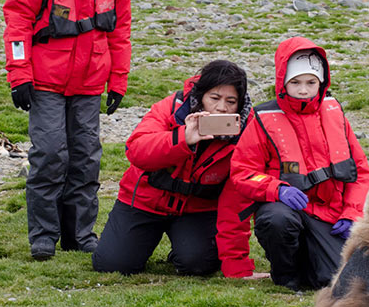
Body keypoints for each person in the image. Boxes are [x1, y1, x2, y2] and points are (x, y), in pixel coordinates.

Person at [2, 0, 132, 260]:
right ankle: (44, 235)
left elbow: (119, 27)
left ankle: (79, 233)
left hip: (90, 81)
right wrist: (19, 74)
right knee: (49, 154)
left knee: (86, 157)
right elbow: (17, 19)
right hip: (45, 81)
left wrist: (118, 79)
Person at [216, 37, 369, 290]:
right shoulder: (263, 119)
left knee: (334, 281)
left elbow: (360, 173)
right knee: (275, 220)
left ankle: (309, 262)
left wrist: (353, 212)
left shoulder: (335, 114)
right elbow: (243, 173)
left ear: (321, 82)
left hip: (330, 216)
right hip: (287, 209)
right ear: (282, 82)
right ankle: (285, 274)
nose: (303, 90)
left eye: (311, 82)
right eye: (295, 82)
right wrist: (277, 189)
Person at [92, 60, 260, 276]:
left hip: (197, 210)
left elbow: (237, 200)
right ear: (200, 97)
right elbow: (136, 150)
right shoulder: (171, 108)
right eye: (214, 98)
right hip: (144, 202)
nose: (221, 107)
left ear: (240, 104)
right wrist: (183, 138)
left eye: (231, 101)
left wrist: (237, 266)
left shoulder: (247, 129)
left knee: (199, 265)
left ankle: (183, 248)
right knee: (113, 265)